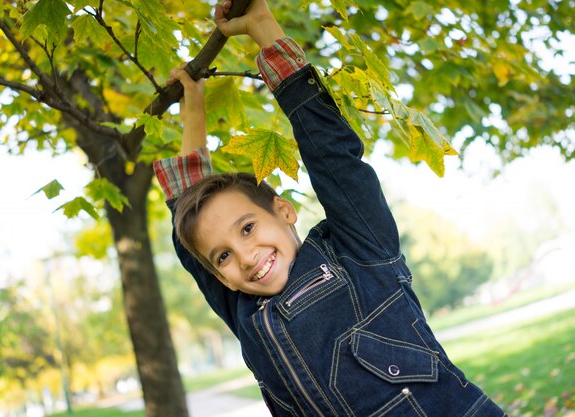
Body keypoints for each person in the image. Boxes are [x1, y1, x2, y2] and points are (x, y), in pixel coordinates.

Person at [154, 0, 507, 415]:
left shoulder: (359, 250)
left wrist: (263, 26)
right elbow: (189, 226)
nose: (245, 257)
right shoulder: (243, 311)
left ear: (284, 211)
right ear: (220, 277)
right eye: (224, 256)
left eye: (247, 228)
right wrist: (193, 107)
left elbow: (331, 153)